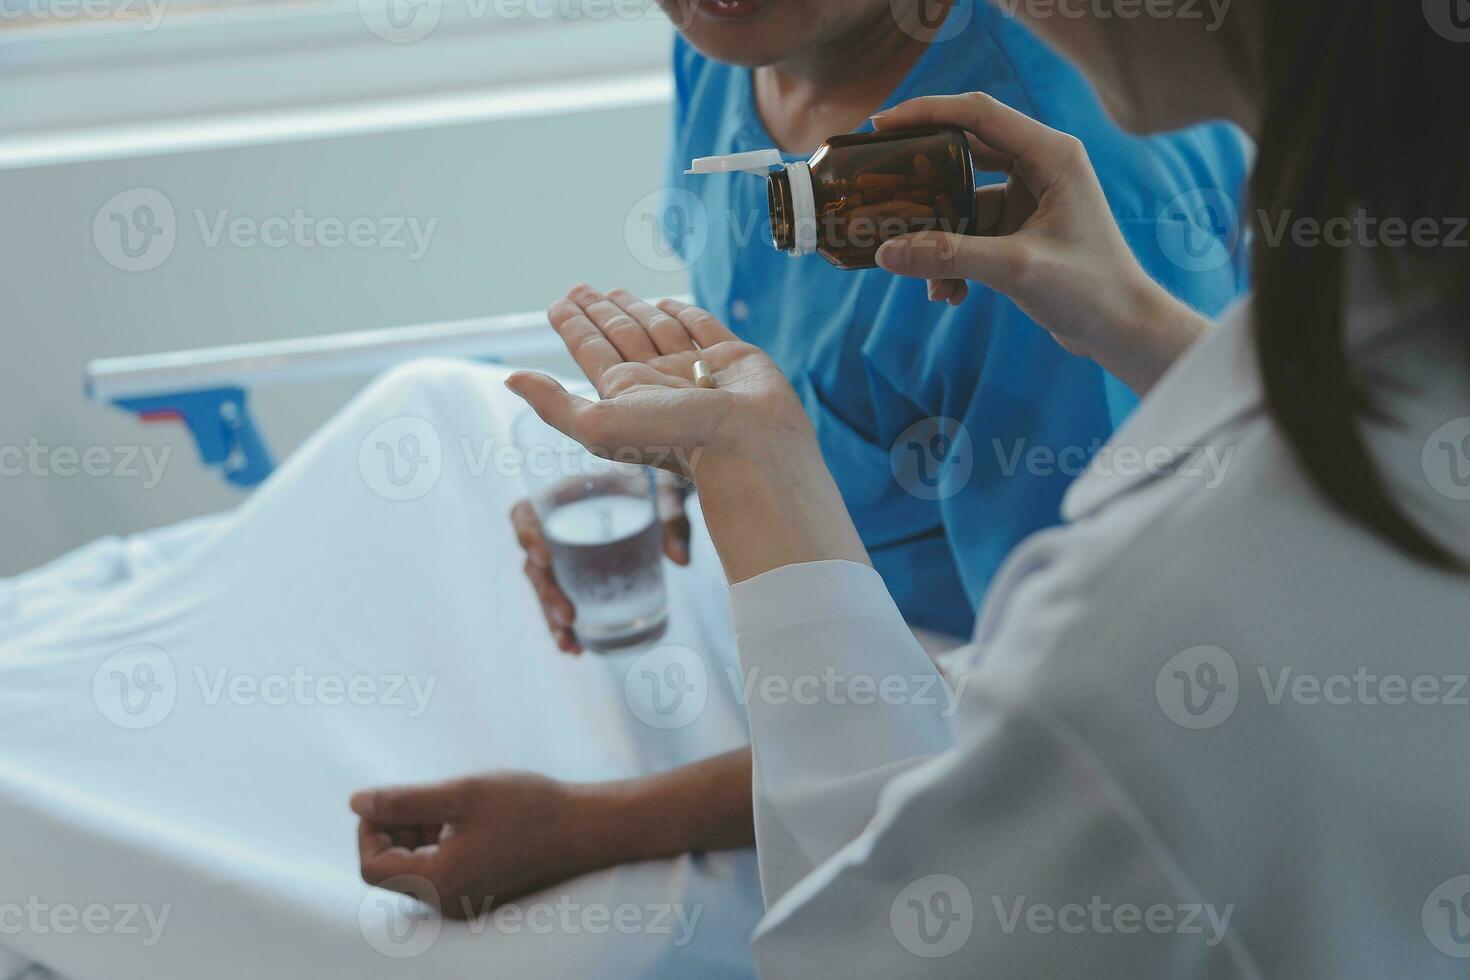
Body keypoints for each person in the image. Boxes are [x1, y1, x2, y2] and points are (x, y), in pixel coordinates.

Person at [455, 1, 1466, 974]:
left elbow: (893, 921)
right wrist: (1139, 326)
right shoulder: (736, 53)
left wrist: (751, 465)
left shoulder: (1142, 627)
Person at [355, 0, 1249, 903]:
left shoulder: (1030, 220)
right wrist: (674, 463)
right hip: (786, 595)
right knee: (422, 409)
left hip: (932, 698)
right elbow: (787, 346)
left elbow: (1051, 723)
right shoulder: (739, 39)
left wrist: (596, 825)